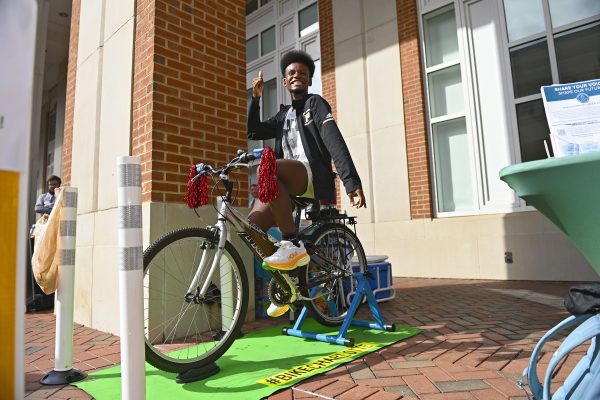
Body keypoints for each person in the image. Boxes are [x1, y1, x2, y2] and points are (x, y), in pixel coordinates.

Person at [247, 50, 366, 317]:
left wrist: (350, 181)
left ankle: (291, 244)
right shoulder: (282, 116)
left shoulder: (316, 104)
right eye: (291, 73)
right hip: (285, 183)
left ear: (309, 80)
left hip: (312, 176)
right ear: (286, 82)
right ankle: (284, 283)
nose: (297, 76)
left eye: (302, 73)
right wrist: (255, 98)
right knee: (251, 227)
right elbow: (253, 132)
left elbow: (334, 140)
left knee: (270, 166)